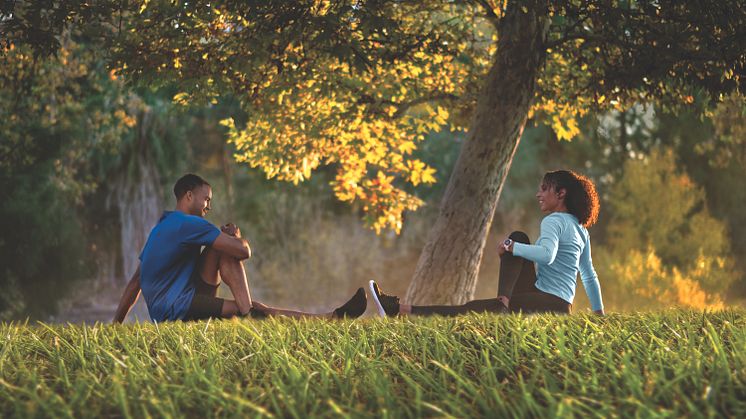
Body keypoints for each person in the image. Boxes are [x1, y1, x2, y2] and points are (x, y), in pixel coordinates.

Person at [113, 173, 367, 323]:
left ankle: (250, 309)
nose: (208, 207)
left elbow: (136, 282)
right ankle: (327, 318)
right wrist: (237, 237)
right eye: (206, 200)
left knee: (221, 246)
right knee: (252, 303)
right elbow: (243, 252)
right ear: (189, 196)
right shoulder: (190, 224)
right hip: (178, 309)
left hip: (164, 309)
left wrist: (116, 324)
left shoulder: (163, 225)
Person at [369, 170, 604, 317]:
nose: (538, 194)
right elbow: (589, 275)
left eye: (544, 188)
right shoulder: (581, 230)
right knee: (519, 237)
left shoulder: (554, 221)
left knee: (469, 309)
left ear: (561, 193)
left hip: (544, 301)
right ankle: (503, 301)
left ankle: (400, 310)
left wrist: (513, 248)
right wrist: (599, 315)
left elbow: (546, 255)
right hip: (563, 306)